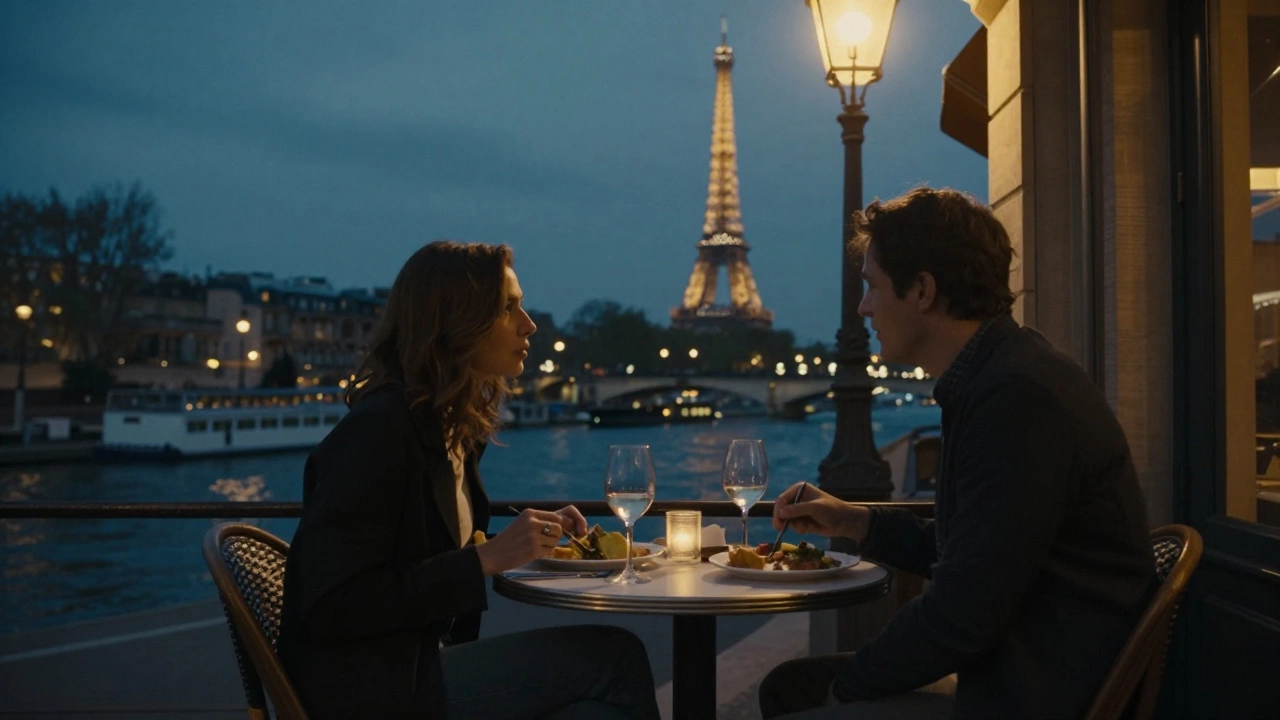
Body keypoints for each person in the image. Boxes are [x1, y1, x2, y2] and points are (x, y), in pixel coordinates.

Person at [758, 187, 1155, 720]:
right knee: (790, 687)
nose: (862, 308)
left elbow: (961, 613)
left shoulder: (1016, 400)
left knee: (810, 697)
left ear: (922, 290)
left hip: (1031, 697)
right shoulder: (1006, 376)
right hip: (1032, 669)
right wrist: (853, 520)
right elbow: (974, 551)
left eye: (872, 286)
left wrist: (849, 688)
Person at [278, 241, 661, 720]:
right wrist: (486, 558)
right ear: (455, 322)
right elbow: (332, 605)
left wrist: (520, 542)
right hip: (374, 690)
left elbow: (419, 553)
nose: (529, 324)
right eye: (508, 308)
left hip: (412, 668)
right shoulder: (379, 432)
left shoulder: (446, 430)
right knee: (614, 657)